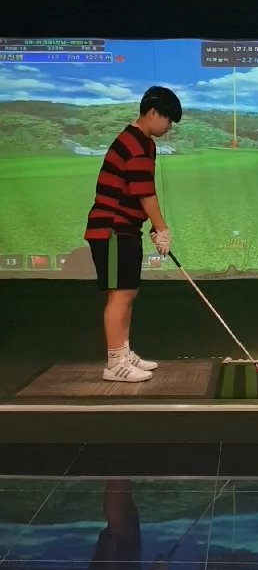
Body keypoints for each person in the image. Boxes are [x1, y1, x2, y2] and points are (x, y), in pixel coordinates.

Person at [84, 85, 182, 382]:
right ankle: (115, 363)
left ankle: (124, 353)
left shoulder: (145, 143)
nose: (169, 127)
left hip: (125, 227)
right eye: (167, 119)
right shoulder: (134, 143)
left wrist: (152, 225)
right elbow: (144, 192)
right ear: (152, 113)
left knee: (128, 291)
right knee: (121, 294)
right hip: (112, 228)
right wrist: (162, 228)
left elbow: (136, 191)